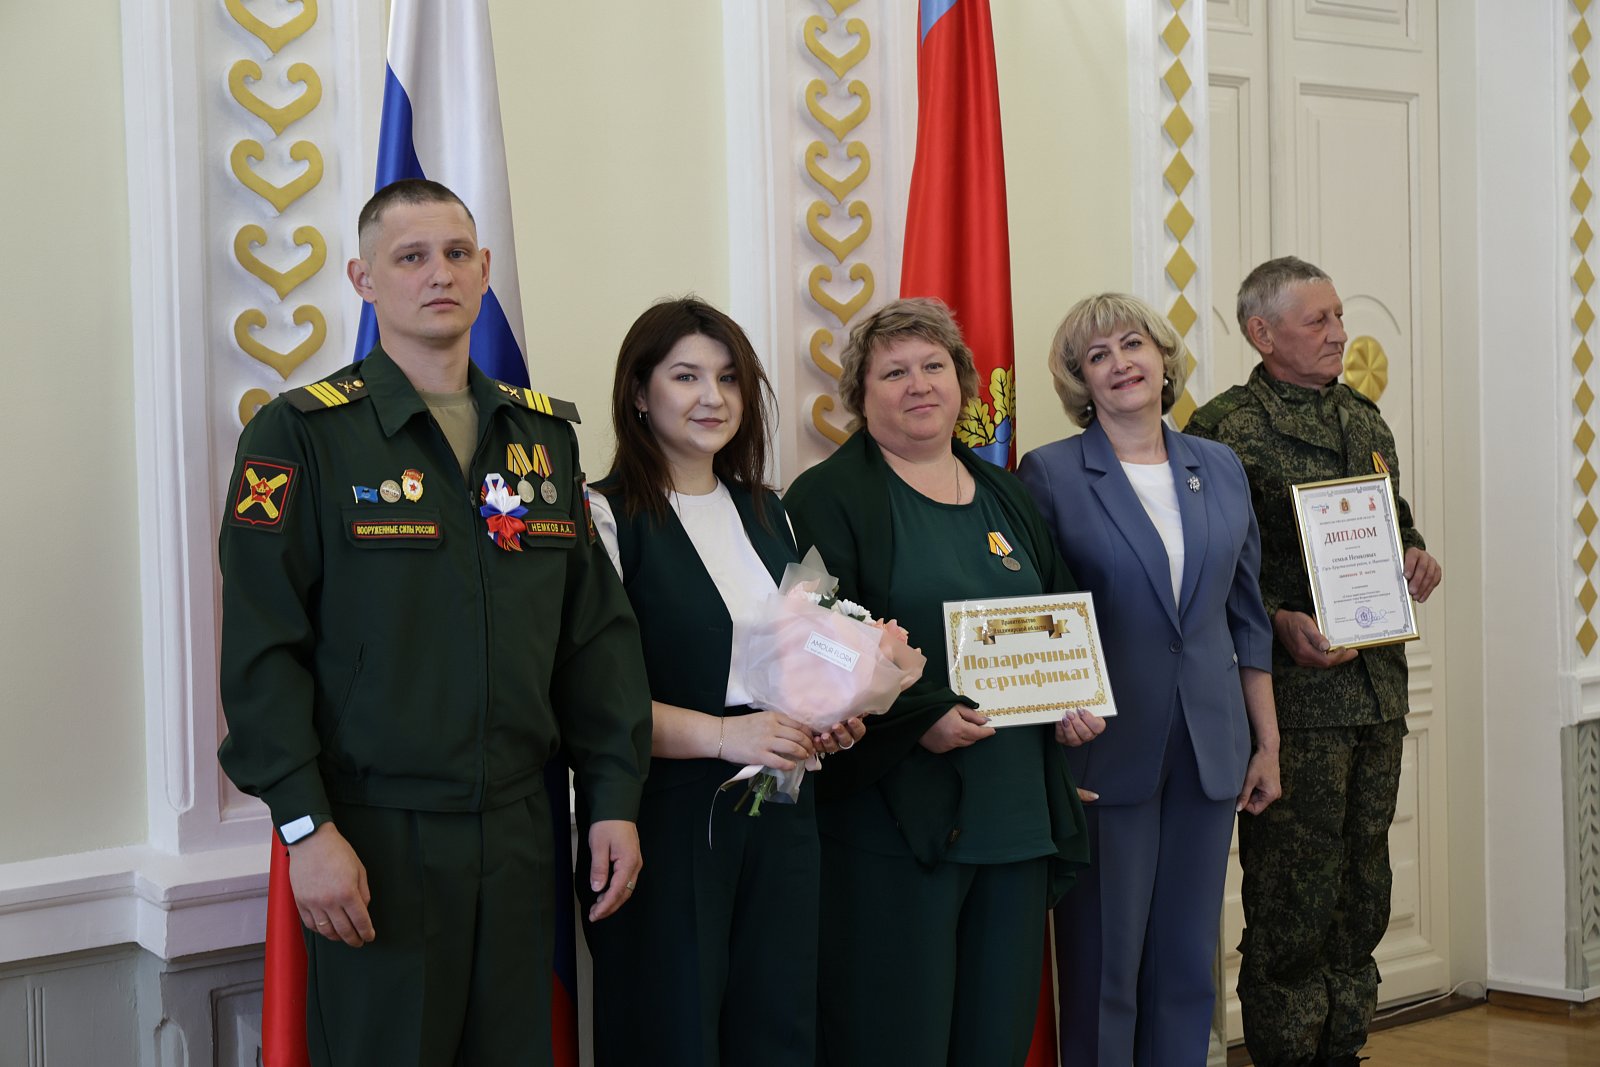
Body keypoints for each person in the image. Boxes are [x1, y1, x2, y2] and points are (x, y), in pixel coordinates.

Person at [216, 178, 652, 1066]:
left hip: (520, 830)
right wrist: (305, 828)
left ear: (485, 270)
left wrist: (613, 799)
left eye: (456, 254)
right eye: (410, 256)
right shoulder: (301, 436)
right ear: (364, 279)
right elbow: (262, 653)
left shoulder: (541, 440)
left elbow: (595, 640)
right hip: (375, 834)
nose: (438, 274)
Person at [783, 297, 1102, 1067]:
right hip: (896, 824)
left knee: (996, 1039)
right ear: (860, 395)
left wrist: (1075, 697)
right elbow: (812, 645)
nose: (919, 384)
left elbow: (1059, 614)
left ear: (962, 383)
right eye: (894, 372)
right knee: (896, 1039)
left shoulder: (1005, 492)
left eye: (934, 366)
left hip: (1015, 816)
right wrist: (920, 716)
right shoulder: (827, 497)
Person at [579, 297, 864, 1066]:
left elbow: (810, 654)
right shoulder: (601, 514)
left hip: (782, 810)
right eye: (686, 376)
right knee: (674, 1030)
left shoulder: (771, 511)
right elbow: (590, 701)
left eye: (729, 378)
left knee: (778, 1027)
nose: (713, 396)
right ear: (639, 393)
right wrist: (725, 735)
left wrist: (834, 714)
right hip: (668, 814)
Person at [1186, 257, 1442, 1067]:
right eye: (1318, 320)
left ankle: (1344, 1048)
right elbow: (1202, 571)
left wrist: (1415, 554)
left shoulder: (1365, 419)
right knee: (1292, 901)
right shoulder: (1224, 432)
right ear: (1262, 333)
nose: (1339, 333)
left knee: (1364, 892)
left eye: (1338, 316)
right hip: (1290, 705)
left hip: (1374, 690)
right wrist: (1275, 621)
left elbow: (1394, 519)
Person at [1015, 293, 1280, 1067]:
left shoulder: (1219, 465)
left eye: (1133, 344)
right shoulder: (1052, 473)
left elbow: (1247, 616)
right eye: (1097, 356)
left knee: (1188, 960)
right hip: (1103, 748)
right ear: (1081, 381)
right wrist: (1054, 713)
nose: (1120, 364)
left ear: (1163, 357)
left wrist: (1266, 741)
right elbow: (1035, 611)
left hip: (1211, 747)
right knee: (1105, 963)